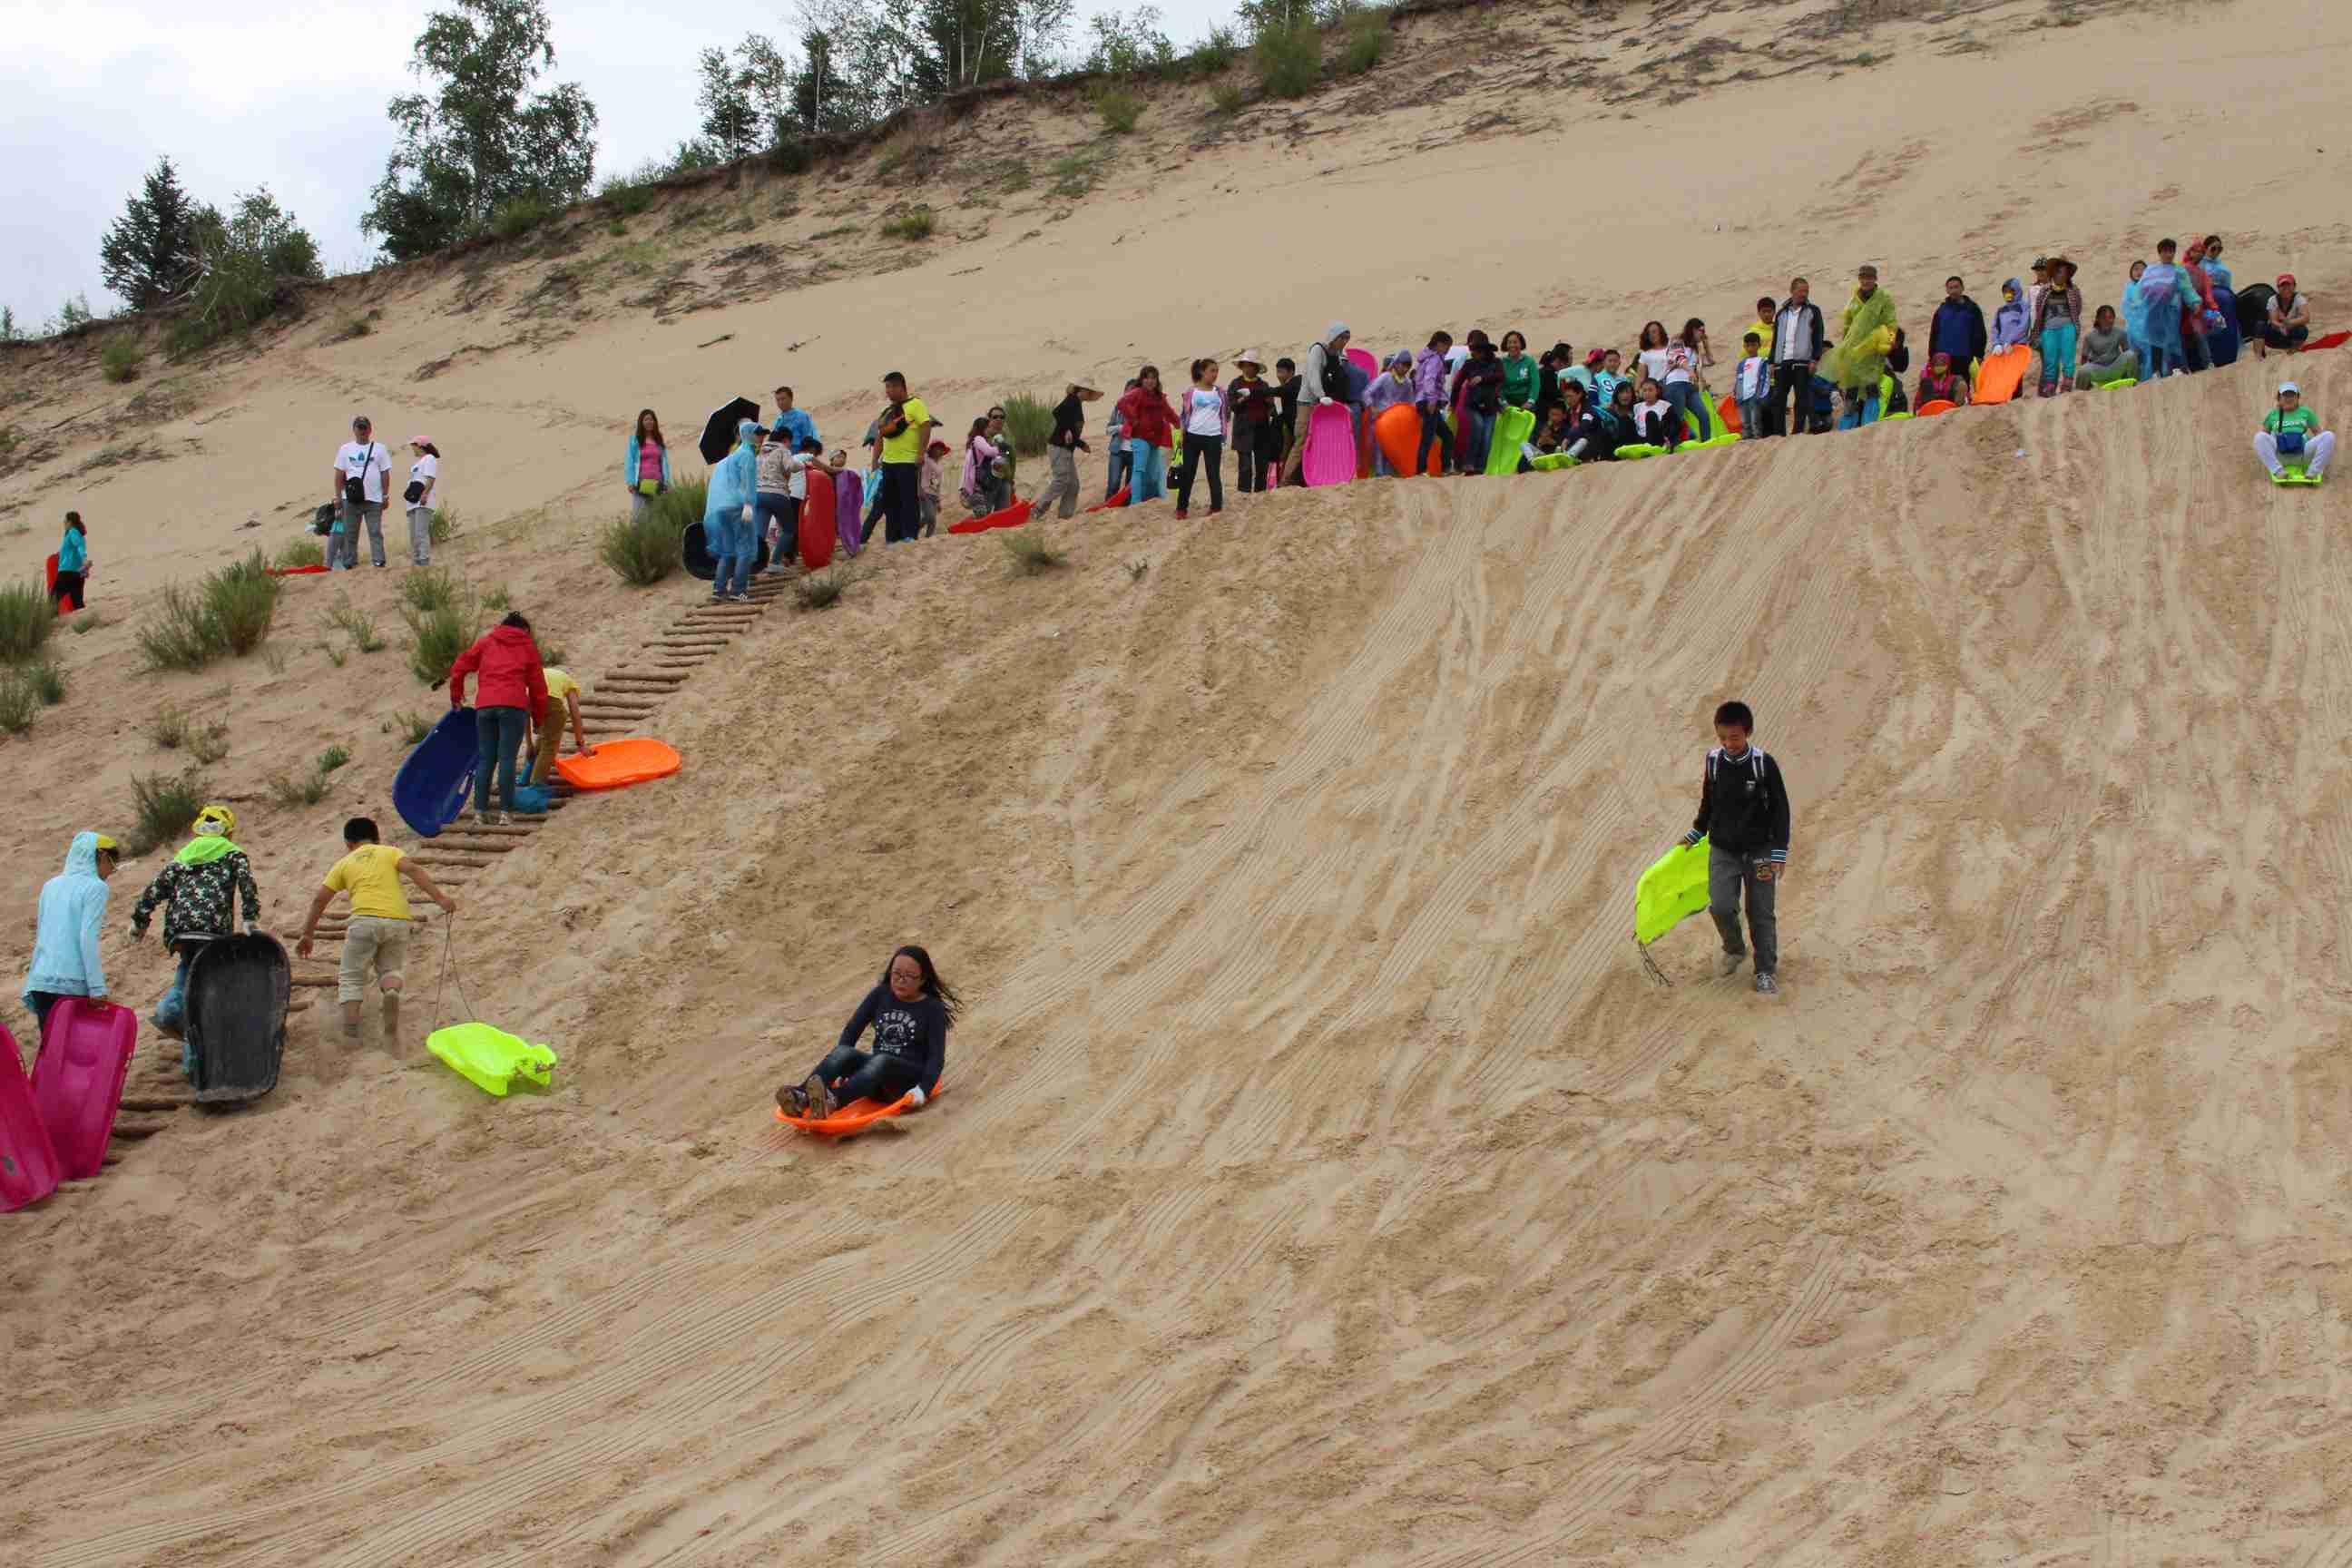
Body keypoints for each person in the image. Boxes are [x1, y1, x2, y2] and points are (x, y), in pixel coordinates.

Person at [295, 817, 457, 1044]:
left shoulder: (344, 863)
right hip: (399, 920)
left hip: (364, 920)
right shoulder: (390, 852)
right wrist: (440, 898)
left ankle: (351, 1030)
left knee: (351, 976)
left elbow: (319, 900)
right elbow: (412, 869)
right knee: (390, 968)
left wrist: (308, 933)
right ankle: (390, 992)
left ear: (348, 844)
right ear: (377, 838)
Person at [1674, 701, 1791, 995]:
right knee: (1722, 905)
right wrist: (1696, 831)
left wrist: (1779, 851)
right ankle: (1735, 948)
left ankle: (1765, 970)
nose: (1729, 744)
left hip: (1761, 851)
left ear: (1748, 732)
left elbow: (1781, 809)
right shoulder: (1713, 761)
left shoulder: (1763, 763)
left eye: (1735, 737)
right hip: (1723, 850)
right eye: (1723, 737)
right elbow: (1708, 802)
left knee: (1760, 911)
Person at [779, 946, 960, 1119]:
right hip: (873, 1078)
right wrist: (843, 1070)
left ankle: (833, 1100)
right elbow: (853, 1028)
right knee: (843, 1052)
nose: (900, 980)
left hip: (903, 1084)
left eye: (909, 976)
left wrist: (923, 1089)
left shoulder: (932, 1008)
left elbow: (936, 1057)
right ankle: (801, 1097)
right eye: (896, 974)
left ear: (923, 979)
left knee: (881, 1060)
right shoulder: (881, 994)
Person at [130, 804, 261, 1040]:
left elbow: (156, 888)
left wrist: (140, 922)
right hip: (213, 930)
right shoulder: (234, 853)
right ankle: (195, 1037)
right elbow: (247, 886)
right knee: (208, 986)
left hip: (180, 931)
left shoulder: (183, 856)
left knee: (188, 968)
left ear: (198, 831)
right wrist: (250, 919)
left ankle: (169, 1011)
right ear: (228, 832)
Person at [448, 612, 549, 826]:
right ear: (524, 630)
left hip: (484, 706)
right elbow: (539, 688)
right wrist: (539, 720)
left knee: (486, 759)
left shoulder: (486, 642)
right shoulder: (527, 646)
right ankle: (505, 813)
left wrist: (456, 697)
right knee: (507, 759)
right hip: (513, 706)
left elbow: (459, 667)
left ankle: (479, 812)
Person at [22, 831, 119, 1044]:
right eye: (113, 858)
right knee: (72, 1054)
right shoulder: (96, 888)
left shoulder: (50, 886)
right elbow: (87, 938)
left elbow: (43, 934)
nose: (114, 868)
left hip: (40, 982)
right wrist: (97, 987)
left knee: (50, 1053)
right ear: (100, 856)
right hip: (71, 985)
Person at [1825, 264, 1896, 428]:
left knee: (1871, 386)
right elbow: (1847, 325)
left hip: (1873, 349)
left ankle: (1870, 424)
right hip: (1854, 350)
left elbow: (1891, 322)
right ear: (1859, 279)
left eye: (1869, 277)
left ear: (1875, 279)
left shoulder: (1883, 298)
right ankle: (1847, 425)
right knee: (1851, 388)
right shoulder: (1853, 300)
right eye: (1863, 277)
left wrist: (1890, 341)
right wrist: (1844, 347)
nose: (1866, 280)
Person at [1282, 323, 1353, 484]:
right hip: (1308, 403)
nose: (1344, 342)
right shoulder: (1318, 350)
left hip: (1323, 405)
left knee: (1318, 444)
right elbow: (1313, 376)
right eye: (1341, 338)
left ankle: (1309, 479)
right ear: (1333, 337)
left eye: (1346, 339)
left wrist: (1340, 405)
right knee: (1301, 443)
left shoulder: (1336, 354)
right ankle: (1285, 482)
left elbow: (1335, 381)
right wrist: (1321, 396)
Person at [703, 418, 760, 600]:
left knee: (727, 550)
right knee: (745, 548)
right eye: (758, 434)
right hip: (739, 506)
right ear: (749, 435)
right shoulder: (747, 456)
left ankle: (719, 590)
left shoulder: (731, 457)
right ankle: (738, 590)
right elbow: (748, 484)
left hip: (722, 507)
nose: (761, 438)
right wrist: (749, 505)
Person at [875, 371, 935, 544]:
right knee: (890, 502)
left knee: (908, 499)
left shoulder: (916, 404)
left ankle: (910, 534)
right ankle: (892, 538)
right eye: (887, 387)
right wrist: (874, 461)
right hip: (888, 462)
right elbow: (880, 436)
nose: (889, 391)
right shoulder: (887, 411)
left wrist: (921, 452)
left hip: (907, 461)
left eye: (892, 386)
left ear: (902, 387)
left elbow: (926, 426)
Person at [330, 415, 393, 571]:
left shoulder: (380, 448)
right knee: (350, 533)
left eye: (365, 427)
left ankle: (379, 561)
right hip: (350, 499)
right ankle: (350, 563)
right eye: (359, 427)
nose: (362, 431)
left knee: (375, 531)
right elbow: (339, 474)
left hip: (374, 499)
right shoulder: (345, 449)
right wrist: (338, 496)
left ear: (370, 429)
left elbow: (385, 473)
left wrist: (385, 495)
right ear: (354, 430)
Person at [1172, 358, 1228, 519]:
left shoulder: (1220, 392)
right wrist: (1181, 434)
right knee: (1188, 473)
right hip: (1193, 435)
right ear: (1202, 372)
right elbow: (1185, 414)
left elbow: (1225, 413)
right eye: (1212, 371)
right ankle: (1181, 508)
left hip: (1213, 436)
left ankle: (1216, 507)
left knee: (1213, 473)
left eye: (1216, 371)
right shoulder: (1191, 392)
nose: (1215, 374)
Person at [1769, 279, 1825, 437]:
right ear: (1792, 291)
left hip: (1802, 361)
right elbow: (1776, 339)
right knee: (1778, 399)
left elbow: (1818, 336)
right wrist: (1772, 361)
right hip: (1782, 362)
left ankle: (1797, 431)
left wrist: (1815, 359)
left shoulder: (1813, 311)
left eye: (1806, 291)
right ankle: (1778, 433)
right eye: (1801, 291)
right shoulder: (1781, 313)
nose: (1804, 294)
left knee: (1801, 397)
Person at [1033, 383, 1099, 517]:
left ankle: (1065, 515)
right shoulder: (1072, 400)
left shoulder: (1077, 403)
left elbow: (1071, 430)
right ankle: (1037, 509)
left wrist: (1080, 444)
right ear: (1082, 389)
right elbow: (1057, 412)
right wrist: (1066, 429)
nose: (1089, 393)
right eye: (1088, 390)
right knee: (1062, 479)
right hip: (1058, 447)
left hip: (1066, 449)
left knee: (1073, 484)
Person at [1116, 366, 1178, 505]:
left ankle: (1147, 499)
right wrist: (1133, 420)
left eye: (1153, 378)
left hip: (1155, 440)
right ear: (1142, 380)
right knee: (1139, 470)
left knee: (1153, 473)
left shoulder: (1159, 397)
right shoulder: (1137, 392)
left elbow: (1169, 412)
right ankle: (1136, 502)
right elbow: (1122, 403)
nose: (1150, 381)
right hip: (1140, 438)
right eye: (1147, 377)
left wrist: (1180, 424)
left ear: (1157, 380)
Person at [2255, 381, 2334, 482]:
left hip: (2302, 455)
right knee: (2259, 437)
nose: (2289, 398)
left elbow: (2318, 433)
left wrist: (2314, 445)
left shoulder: (2306, 412)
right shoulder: (2273, 414)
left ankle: (2313, 472)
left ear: (2297, 398)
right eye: (2285, 395)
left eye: (2292, 395)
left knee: (2328, 436)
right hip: (2280, 455)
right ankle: (2278, 471)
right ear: (2279, 398)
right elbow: (2264, 439)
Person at [524, 665, 589, 786]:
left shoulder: (542, 673)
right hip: (550, 700)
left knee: (544, 737)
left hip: (530, 698)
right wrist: (581, 744)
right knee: (549, 746)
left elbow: (525, 716)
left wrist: (529, 744)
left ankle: (526, 777)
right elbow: (575, 713)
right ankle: (536, 785)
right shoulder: (569, 682)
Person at [1451, 331, 1505, 474]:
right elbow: (1457, 384)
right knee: (1478, 428)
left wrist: (1482, 378)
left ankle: (1481, 467)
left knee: (1487, 437)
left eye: (1477, 350)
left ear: (1485, 351)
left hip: (1491, 406)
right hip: (1472, 405)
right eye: (1473, 350)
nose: (1474, 353)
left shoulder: (1497, 363)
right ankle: (1469, 463)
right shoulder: (1469, 364)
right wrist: (1453, 403)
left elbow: (1501, 376)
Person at [1225, 356, 1280, 491]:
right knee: (1245, 467)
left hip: (1262, 429)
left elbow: (1271, 407)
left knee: (1262, 466)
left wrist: (1271, 407)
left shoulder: (1263, 385)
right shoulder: (1235, 384)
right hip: (1243, 430)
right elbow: (1230, 405)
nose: (1248, 368)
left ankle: (1260, 493)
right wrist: (1240, 401)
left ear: (1256, 368)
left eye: (1251, 365)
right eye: (1245, 365)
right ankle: (1244, 494)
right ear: (1242, 367)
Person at [2030, 258, 2083, 396]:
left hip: (2068, 327)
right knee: (2050, 359)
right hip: (2049, 329)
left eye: (2065, 272)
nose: (2062, 275)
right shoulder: (2044, 290)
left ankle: (2067, 385)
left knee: (2068, 357)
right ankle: (2050, 388)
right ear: (2053, 273)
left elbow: (2078, 308)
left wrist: (2071, 324)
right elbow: (2039, 309)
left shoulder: (2073, 290)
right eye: (2059, 272)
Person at [753, 416, 800, 569]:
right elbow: (790, 466)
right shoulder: (783, 449)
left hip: (758, 495)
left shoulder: (759, 450)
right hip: (777, 494)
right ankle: (774, 562)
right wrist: (802, 465)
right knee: (788, 530)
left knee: (759, 534)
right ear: (786, 440)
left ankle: (755, 564)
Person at [2137, 242, 2188, 377]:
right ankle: (2156, 371)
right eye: (2166, 251)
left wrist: (2195, 302)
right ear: (2160, 253)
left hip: (2171, 310)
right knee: (2155, 341)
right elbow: (2142, 289)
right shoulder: (2150, 270)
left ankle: (2176, 367)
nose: (2169, 254)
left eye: (2171, 251)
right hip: (2153, 311)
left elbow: (2186, 288)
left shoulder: (2179, 270)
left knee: (2173, 338)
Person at [1363, 350, 1416, 475]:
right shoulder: (1385, 377)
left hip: (1397, 420)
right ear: (1396, 364)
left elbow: (1410, 402)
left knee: (1394, 447)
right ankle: (1379, 473)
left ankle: (1390, 473)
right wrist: (1372, 408)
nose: (1405, 368)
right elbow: (1367, 393)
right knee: (1379, 446)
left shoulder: (1407, 383)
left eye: (1408, 366)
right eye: (1403, 365)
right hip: (1381, 417)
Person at [1928, 276, 1987, 383]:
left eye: (1956, 287)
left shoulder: (1972, 309)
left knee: (1962, 389)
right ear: (1947, 290)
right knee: (1943, 389)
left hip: (1964, 357)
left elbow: (1980, 333)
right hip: (1943, 358)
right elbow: (1934, 334)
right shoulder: (1941, 310)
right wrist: (1932, 355)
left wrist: (1979, 355)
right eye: (1950, 288)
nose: (1954, 290)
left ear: (1962, 288)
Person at [1411, 332, 1455, 475]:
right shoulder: (1435, 359)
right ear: (1439, 344)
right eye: (1447, 346)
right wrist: (1432, 400)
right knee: (1428, 437)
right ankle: (1421, 470)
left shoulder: (1426, 358)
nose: (1448, 350)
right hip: (1430, 401)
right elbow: (1429, 380)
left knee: (1446, 435)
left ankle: (1445, 467)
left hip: (1424, 400)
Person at [1666, 320, 1715, 440]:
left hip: (1691, 386)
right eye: (1701, 331)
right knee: (1678, 417)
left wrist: (1706, 343)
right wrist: (1690, 370)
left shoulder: (1695, 349)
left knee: (1704, 415)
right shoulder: (1678, 341)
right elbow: (1678, 357)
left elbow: (1710, 362)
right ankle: (1677, 444)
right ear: (1693, 330)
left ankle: (1705, 443)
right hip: (1676, 383)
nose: (1703, 334)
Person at [623, 409, 671, 520]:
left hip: (658, 485)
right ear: (641, 422)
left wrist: (668, 483)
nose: (649, 422)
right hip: (640, 484)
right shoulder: (635, 440)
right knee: (638, 518)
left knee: (656, 518)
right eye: (646, 419)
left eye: (651, 419)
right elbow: (629, 461)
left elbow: (665, 464)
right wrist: (630, 482)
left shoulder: (659, 440)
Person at [2075, 306, 2137, 388]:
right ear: (2098, 319)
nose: (2108, 321)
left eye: (2111, 318)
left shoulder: (2120, 333)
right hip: (2099, 370)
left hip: (2115, 368)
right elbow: (2084, 359)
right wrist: (2087, 379)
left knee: (2130, 355)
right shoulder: (2089, 337)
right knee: (2083, 370)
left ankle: (2131, 382)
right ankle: (2082, 390)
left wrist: (2125, 372)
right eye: (2104, 318)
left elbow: (2126, 353)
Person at [402, 437, 441, 565]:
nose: (412, 448)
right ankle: (416, 561)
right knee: (413, 535)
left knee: (421, 533)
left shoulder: (429, 459)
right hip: (412, 503)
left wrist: (425, 494)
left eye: (413, 446)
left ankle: (424, 561)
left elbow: (431, 478)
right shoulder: (417, 464)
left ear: (419, 446)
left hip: (423, 502)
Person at [959, 416, 1008, 519]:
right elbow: (989, 452)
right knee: (981, 515)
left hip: (975, 482)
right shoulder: (978, 439)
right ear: (983, 428)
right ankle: (967, 528)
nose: (990, 430)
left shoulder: (975, 441)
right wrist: (999, 448)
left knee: (981, 512)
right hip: (974, 484)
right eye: (989, 427)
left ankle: (969, 525)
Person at [1732, 332, 1771, 438]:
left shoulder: (1763, 361)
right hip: (1743, 395)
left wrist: (1761, 394)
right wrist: (1736, 393)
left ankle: (1757, 436)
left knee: (1755, 419)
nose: (1750, 348)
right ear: (1744, 346)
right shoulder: (1742, 363)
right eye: (1747, 345)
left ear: (1759, 345)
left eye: (1753, 345)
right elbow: (1739, 379)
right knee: (1745, 420)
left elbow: (1765, 379)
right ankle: (1746, 437)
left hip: (1755, 395)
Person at [2262, 274, 2311, 356]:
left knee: (2302, 330)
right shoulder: (2273, 300)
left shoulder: (2299, 299)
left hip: (2292, 333)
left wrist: (2289, 323)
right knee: (2260, 327)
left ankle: (2293, 350)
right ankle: (2260, 355)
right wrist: (2281, 326)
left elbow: (2306, 318)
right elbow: (2273, 320)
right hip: (2277, 333)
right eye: (2282, 286)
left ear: (2294, 286)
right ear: (2278, 288)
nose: (2286, 289)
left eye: (2289, 285)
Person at [2121, 260, 2153, 378]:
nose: (2139, 272)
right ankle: (2134, 377)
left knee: (2149, 352)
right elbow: (2126, 307)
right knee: (2134, 355)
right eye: (2136, 269)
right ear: (2131, 273)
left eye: (2142, 269)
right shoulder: (2129, 288)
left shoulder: (2150, 287)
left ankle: (2148, 377)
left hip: (2147, 327)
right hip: (2133, 328)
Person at [1270, 358, 1301, 482]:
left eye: (1281, 372)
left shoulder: (1293, 385)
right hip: (1283, 426)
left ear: (1291, 372)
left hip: (1291, 427)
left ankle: (1287, 479)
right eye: (1277, 372)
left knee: (1288, 453)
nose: (1278, 375)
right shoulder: (1283, 388)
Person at [1632, 379, 1686, 449]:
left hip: (1658, 440)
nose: (1647, 393)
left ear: (1657, 391)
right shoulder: (1637, 407)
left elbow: (1677, 425)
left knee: (1650, 415)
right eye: (1644, 390)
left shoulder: (1665, 406)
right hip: (1641, 439)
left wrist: (1668, 438)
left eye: (1650, 390)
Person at [53, 511, 89, 612]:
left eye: (65, 520)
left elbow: (79, 546)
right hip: (79, 573)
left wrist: (85, 558)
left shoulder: (72, 531)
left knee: (52, 600)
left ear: (70, 522)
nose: (64, 522)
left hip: (68, 572)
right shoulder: (78, 534)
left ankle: (51, 623)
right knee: (78, 603)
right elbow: (74, 548)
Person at [769, 385, 818, 454]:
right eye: (778, 400)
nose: (780, 402)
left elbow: (809, 439)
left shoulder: (802, 416)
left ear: (791, 398)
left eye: (783, 399)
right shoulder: (778, 421)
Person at [1498, 330, 1538, 411]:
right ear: (1506, 345)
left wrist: (1530, 401)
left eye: (1515, 342)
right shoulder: (1501, 363)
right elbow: (1499, 386)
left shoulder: (1529, 362)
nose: (1512, 345)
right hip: (1507, 404)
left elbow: (1535, 383)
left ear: (1521, 344)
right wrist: (1504, 402)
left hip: (1526, 403)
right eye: (1509, 342)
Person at [918, 439, 946, 536]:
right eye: (938, 448)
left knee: (932, 521)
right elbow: (919, 473)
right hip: (925, 492)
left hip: (934, 495)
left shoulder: (940, 466)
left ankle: (928, 538)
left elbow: (938, 484)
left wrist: (939, 500)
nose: (940, 451)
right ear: (932, 449)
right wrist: (919, 489)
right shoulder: (926, 460)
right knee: (929, 517)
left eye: (942, 449)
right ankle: (914, 529)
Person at [1745, 297, 1778, 362]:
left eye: (1769, 311)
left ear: (1774, 312)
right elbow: (1745, 355)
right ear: (1758, 313)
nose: (1767, 314)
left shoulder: (1780, 329)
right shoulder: (1752, 332)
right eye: (1764, 311)